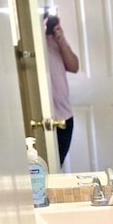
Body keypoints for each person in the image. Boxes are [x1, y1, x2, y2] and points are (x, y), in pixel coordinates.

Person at [44, 11, 79, 166]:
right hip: (43, 120)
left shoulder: (54, 42)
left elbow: (74, 67)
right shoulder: (32, 45)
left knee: (56, 167)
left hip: (63, 118)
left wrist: (61, 40)